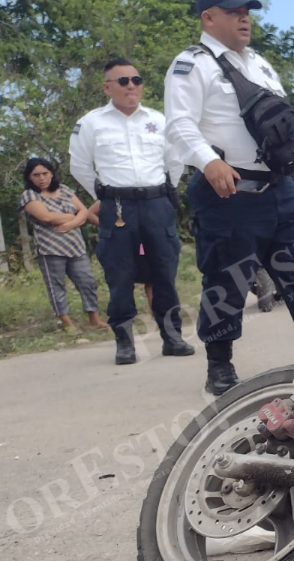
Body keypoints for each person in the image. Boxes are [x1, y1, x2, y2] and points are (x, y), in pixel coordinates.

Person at [164, 0, 294, 396]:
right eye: (232, 11)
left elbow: (285, 122)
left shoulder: (260, 63)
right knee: (226, 279)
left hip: (279, 187)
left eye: (247, 10)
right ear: (208, 17)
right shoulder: (192, 64)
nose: (244, 17)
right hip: (228, 191)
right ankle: (219, 364)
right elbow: (178, 124)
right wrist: (207, 161)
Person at [70, 57, 194, 365]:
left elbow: (175, 161)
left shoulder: (159, 120)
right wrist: (105, 195)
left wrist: (163, 195)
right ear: (107, 87)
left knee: (164, 271)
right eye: (123, 81)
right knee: (120, 275)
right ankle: (124, 342)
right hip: (117, 206)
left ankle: (172, 336)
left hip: (156, 203)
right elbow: (80, 166)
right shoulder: (92, 123)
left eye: (136, 80)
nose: (131, 86)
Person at [18, 158, 107, 335]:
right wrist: (71, 216)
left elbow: (84, 212)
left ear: (51, 173)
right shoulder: (29, 195)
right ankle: (67, 323)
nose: (42, 178)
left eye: (45, 173)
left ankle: (94, 319)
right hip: (50, 248)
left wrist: (70, 224)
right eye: (36, 175)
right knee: (56, 286)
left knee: (87, 281)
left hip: (75, 246)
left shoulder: (64, 189)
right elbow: (46, 217)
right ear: (30, 177)